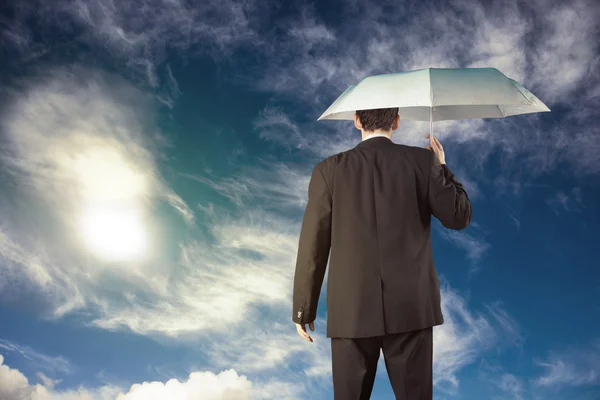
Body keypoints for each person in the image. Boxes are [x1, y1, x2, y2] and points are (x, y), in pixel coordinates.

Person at [291, 107, 472, 400]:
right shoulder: (422, 162)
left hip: (351, 309)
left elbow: (313, 244)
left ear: (357, 121)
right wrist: (441, 166)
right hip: (412, 307)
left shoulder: (328, 171)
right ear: (397, 122)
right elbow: (459, 217)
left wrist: (303, 307)